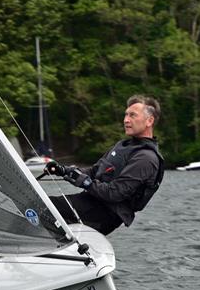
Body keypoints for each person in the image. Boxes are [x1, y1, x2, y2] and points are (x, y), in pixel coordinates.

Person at [45, 95, 164, 235]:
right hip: (89, 202)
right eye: (125, 115)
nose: (126, 120)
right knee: (40, 202)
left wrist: (86, 183)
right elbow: (94, 171)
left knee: (44, 207)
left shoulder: (146, 158)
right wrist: (64, 171)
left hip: (105, 214)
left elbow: (114, 193)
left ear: (149, 121)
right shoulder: (122, 145)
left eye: (132, 115)